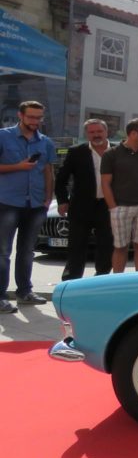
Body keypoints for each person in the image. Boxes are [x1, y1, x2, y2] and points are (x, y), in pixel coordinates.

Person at [0, 100, 56, 311]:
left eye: (39, 118)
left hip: (35, 204)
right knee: (3, 251)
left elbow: (47, 170)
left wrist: (48, 197)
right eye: (31, 117)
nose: (35, 121)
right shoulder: (3, 136)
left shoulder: (45, 142)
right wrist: (18, 166)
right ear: (20, 116)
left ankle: (25, 291)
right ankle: (0, 296)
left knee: (27, 251)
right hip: (7, 202)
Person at [56, 118, 114, 280]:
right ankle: (71, 282)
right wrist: (62, 200)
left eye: (99, 131)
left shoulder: (118, 151)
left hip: (108, 206)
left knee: (106, 245)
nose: (96, 135)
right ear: (86, 134)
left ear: (106, 132)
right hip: (81, 207)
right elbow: (61, 179)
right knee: (76, 246)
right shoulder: (76, 152)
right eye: (92, 132)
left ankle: (101, 279)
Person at [102, 118, 138, 273]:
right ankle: (118, 282)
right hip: (120, 207)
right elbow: (105, 183)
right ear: (133, 133)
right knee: (120, 247)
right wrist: (113, 207)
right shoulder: (111, 154)